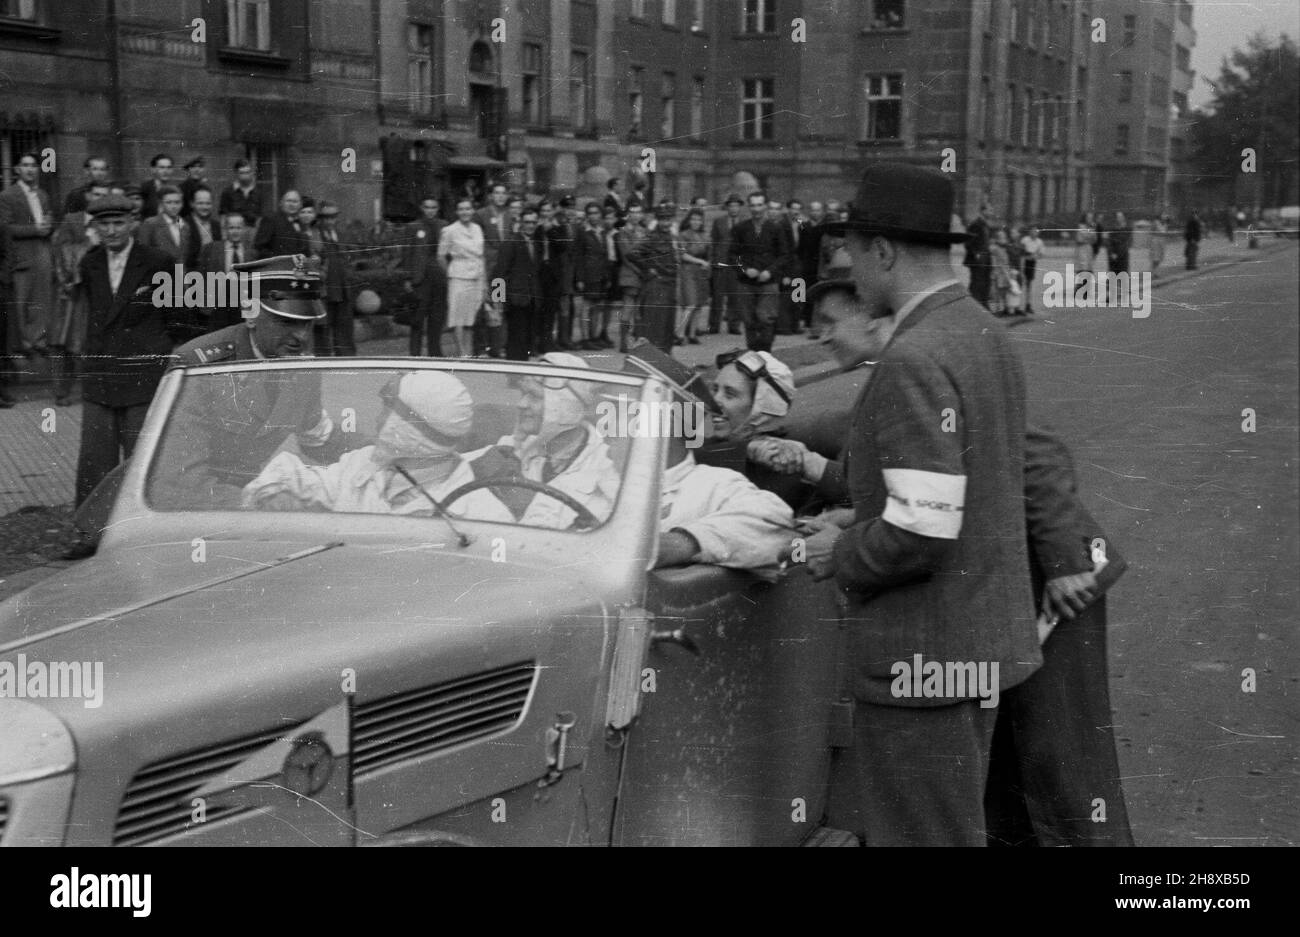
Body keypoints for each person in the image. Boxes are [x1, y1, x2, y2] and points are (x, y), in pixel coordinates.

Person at [797, 163, 1039, 847]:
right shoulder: (982, 329)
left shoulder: (912, 356)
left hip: (921, 660)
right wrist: (861, 511)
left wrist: (838, 548)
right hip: (973, 642)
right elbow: (967, 487)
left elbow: (923, 529)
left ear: (883, 251)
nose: (849, 269)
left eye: (851, 251)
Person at [150, 255, 346, 509]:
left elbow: (319, 437)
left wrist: (387, 454)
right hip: (187, 511)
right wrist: (264, 506)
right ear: (250, 313)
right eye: (286, 321)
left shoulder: (301, 368)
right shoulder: (200, 366)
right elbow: (178, 484)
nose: (301, 337)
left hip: (245, 505)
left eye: (307, 324)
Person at [242, 372, 504, 518]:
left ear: (414, 431)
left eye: (388, 412)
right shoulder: (365, 463)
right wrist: (276, 493)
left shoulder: (481, 513)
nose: (378, 422)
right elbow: (290, 477)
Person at [73, 194, 177, 507]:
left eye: (119, 222)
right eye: (104, 224)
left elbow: (178, 319)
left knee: (140, 459)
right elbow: (91, 316)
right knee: (95, 460)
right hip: (101, 376)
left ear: (132, 223)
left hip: (142, 377)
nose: (112, 230)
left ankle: (139, 531)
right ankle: (90, 533)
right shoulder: (90, 263)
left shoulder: (160, 262)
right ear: (95, 227)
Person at [465, 352, 622, 529]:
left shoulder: (605, 475)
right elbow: (458, 468)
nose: (521, 404)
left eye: (534, 396)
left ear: (564, 406)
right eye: (523, 394)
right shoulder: (516, 446)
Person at [50, 186, 104, 406]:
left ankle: (95, 388)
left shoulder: (109, 221)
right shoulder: (72, 220)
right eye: (96, 195)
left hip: (99, 289)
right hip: (74, 293)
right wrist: (89, 243)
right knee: (66, 340)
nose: (100, 199)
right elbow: (61, 252)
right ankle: (62, 392)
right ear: (87, 197)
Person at [0, 151, 56, 357]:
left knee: (41, 299)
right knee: (22, 300)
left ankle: (38, 341)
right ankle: (24, 344)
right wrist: (35, 230)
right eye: (25, 165)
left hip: (42, 251)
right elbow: (5, 228)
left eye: (33, 165)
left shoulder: (42, 194)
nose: (30, 169)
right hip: (21, 254)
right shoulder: (7, 195)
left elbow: (49, 218)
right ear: (17, 170)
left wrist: (48, 226)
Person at [728, 191, 784, 353]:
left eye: (759, 205)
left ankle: (766, 355)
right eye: (753, 205)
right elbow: (732, 254)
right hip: (747, 283)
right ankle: (752, 357)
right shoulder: (741, 228)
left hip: (768, 282)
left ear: (765, 206)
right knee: (749, 320)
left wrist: (770, 271)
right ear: (749, 207)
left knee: (766, 319)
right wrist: (745, 269)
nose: (756, 209)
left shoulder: (775, 228)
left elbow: (785, 255)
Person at [437, 198, 487, 358]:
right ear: (457, 212)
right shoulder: (450, 230)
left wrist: (484, 280)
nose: (465, 212)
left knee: (471, 316)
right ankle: (461, 353)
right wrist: (451, 273)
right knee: (458, 316)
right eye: (461, 209)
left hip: (477, 276)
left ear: (473, 211)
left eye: (468, 209)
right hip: (459, 277)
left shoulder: (478, 228)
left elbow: (482, 255)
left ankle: (470, 352)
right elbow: (441, 256)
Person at [494, 207, 544, 360]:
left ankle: (523, 374)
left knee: (527, 340)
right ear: (521, 223)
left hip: (532, 298)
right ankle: (514, 378)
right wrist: (498, 300)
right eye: (527, 222)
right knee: (516, 340)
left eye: (534, 222)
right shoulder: (511, 242)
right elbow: (499, 273)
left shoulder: (536, 243)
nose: (530, 225)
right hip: (515, 299)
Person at [632, 201, 680, 354]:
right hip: (656, 287)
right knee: (655, 326)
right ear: (657, 220)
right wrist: (648, 269)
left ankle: (665, 357)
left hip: (670, 285)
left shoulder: (672, 237)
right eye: (663, 219)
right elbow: (632, 253)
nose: (666, 223)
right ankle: (652, 358)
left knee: (667, 325)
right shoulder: (652, 237)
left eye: (668, 219)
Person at [403, 196, 448, 357]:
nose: (430, 210)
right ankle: (415, 355)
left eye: (433, 207)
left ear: (437, 209)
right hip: (420, 278)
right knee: (417, 319)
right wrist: (407, 278)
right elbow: (407, 253)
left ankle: (435, 354)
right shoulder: (413, 227)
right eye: (427, 207)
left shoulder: (444, 226)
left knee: (437, 318)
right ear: (422, 208)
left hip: (439, 277)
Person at [474, 183, 514, 356]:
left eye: (503, 193)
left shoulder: (509, 216)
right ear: (491, 195)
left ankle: (496, 347)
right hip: (484, 268)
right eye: (497, 193)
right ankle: (480, 348)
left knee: (497, 306)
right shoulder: (481, 215)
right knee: (482, 308)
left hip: (501, 270)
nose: (500, 196)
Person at [571, 201, 612, 349]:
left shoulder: (603, 231)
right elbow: (578, 256)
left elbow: (606, 254)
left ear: (601, 215)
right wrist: (580, 278)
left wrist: (607, 275)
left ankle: (594, 336)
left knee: (597, 307)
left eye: (596, 213)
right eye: (590, 213)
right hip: (588, 274)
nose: (593, 216)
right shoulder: (582, 232)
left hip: (601, 274)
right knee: (587, 306)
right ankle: (585, 338)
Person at [316, 201, 355, 356]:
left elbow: (348, 260)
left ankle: (346, 358)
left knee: (344, 327)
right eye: (326, 218)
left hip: (342, 288)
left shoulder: (341, 235)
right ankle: (323, 359)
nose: (329, 221)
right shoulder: (316, 236)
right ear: (321, 219)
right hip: (326, 289)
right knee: (324, 328)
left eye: (333, 217)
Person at [198, 214, 249, 330]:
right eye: (231, 228)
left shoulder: (252, 252)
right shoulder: (211, 248)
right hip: (216, 306)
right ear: (225, 230)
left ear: (244, 229)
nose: (235, 232)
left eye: (239, 228)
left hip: (242, 306)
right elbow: (201, 277)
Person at [613, 202, 649, 352]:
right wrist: (641, 270)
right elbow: (626, 255)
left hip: (643, 273)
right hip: (630, 273)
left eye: (638, 212)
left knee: (640, 308)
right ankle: (623, 342)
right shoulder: (622, 233)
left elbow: (648, 251)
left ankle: (637, 340)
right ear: (627, 215)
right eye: (632, 212)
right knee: (628, 307)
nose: (636, 215)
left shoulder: (644, 231)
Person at [709, 194, 744, 335]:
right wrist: (714, 260)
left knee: (735, 296)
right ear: (727, 207)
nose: (734, 208)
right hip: (721, 262)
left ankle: (734, 325)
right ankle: (713, 325)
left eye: (736, 205)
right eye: (731, 205)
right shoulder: (719, 221)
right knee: (718, 296)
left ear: (740, 207)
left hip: (737, 264)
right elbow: (714, 242)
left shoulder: (744, 223)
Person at [676, 208, 711, 344]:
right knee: (690, 304)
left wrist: (707, 263)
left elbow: (709, 253)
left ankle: (692, 334)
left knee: (699, 304)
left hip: (701, 272)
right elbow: (682, 254)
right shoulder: (683, 235)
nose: (696, 222)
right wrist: (699, 261)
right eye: (693, 219)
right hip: (688, 271)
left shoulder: (705, 236)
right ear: (689, 220)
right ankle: (679, 335)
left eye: (699, 219)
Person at [137, 185, 190, 267]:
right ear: (161, 204)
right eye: (169, 202)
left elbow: (183, 257)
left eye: (177, 202)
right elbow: (143, 254)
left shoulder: (184, 225)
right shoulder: (151, 224)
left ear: (182, 204)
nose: (173, 206)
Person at [777, 199, 806, 335]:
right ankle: (784, 327)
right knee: (786, 298)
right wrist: (784, 274)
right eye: (794, 208)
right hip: (786, 266)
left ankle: (795, 325)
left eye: (798, 209)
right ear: (788, 209)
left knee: (798, 296)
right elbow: (781, 251)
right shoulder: (782, 225)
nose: (796, 211)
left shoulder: (800, 224)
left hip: (798, 265)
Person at [254, 189, 305, 259]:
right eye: (288, 201)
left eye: (295, 201)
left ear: (300, 205)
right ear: (281, 203)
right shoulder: (271, 220)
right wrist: (277, 260)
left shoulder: (302, 223)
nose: (291, 204)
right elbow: (259, 246)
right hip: (276, 267)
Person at [218, 159, 263, 236]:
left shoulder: (258, 192)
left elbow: (260, 217)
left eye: (248, 172)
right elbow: (223, 216)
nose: (246, 176)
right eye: (242, 173)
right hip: (234, 232)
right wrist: (224, 235)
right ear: (236, 174)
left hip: (253, 232)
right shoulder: (228, 192)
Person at [183, 185, 221, 269]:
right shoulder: (183, 224)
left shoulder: (217, 226)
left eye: (208, 203)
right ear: (192, 204)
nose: (204, 207)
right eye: (200, 203)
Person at [138, 153, 174, 219]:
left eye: (169, 168)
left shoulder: (174, 190)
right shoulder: (144, 189)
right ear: (153, 170)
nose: (166, 171)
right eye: (162, 167)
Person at [1018, 225, 1044, 315]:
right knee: (1020, 283)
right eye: (1033, 231)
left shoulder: (1039, 242)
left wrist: (1035, 256)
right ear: (1030, 232)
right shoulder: (1025, 240)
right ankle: (1018, 306)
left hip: (1032, 263)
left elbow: (1041, 254)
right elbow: (1021, 252)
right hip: (1024, 261)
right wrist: (1027, 255)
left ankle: (1027, 305)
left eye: (1036, 231)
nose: (1035, 233)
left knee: (1029, 285)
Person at [1073, 214, 1095, 285]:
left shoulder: (1092, 228)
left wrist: (1087, 238)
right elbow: (1079, 239)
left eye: (1091, 218)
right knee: (1082, 270)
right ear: (1085, 218)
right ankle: (1080, 289)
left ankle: (1086, 290)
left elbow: (1094, 239)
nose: (1090, 219)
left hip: (1089, 251)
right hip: (1082, 251)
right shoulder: (1081, 227)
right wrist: (1089, 238)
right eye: (1089, 218)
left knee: (1088, 270)